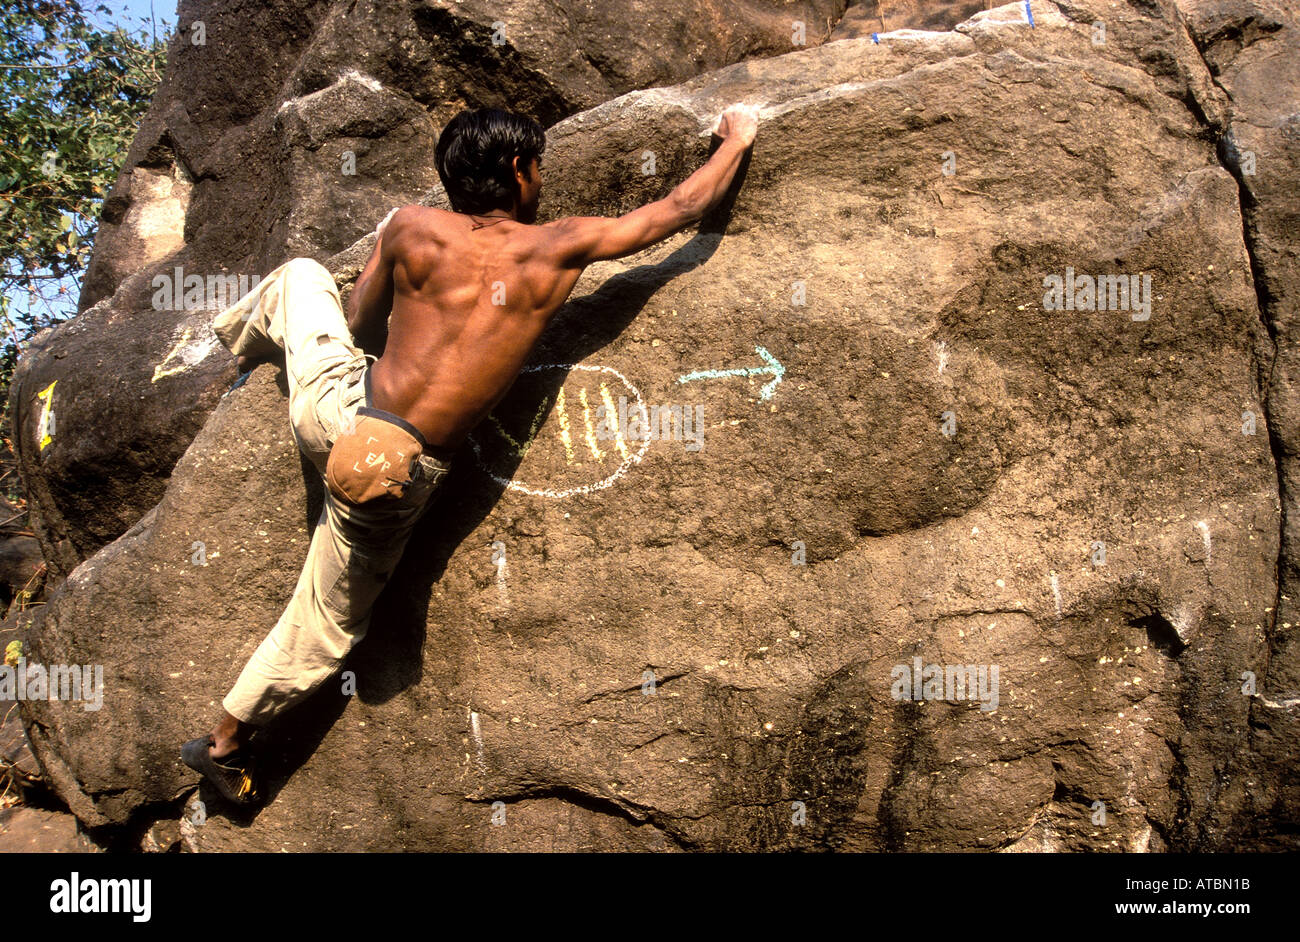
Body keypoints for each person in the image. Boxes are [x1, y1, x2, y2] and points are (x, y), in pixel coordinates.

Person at [181, 102, 759, 806]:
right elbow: (677, 210)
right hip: (389, 469)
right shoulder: (558, 247)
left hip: (334, 405)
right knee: (327, 623)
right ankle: (222, 741)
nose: (540, 179)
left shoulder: (407, 226)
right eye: (538, 166)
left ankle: (237, 354)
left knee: (302, 277)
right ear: (519, 170)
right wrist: (738, 139)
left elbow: (360, 322)